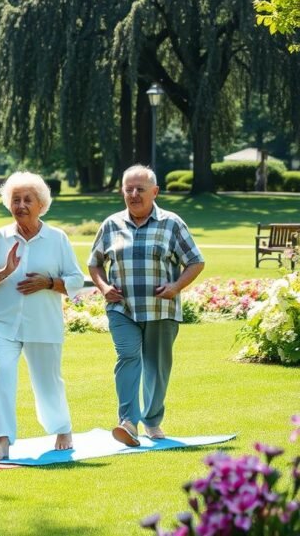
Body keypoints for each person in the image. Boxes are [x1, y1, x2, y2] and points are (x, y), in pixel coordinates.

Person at [0, 172, 84, 460]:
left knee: (48, 381)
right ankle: (2, 440)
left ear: (41, 204)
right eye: (15, 199)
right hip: (2, 322)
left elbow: (76, 279)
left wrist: (49, 283)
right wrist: (3, 272)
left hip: (44, 323)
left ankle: (62, 428)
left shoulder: (57, 239)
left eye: (27, 199)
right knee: (4, 375)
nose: (21, 205)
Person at [88, 165, 205, 446]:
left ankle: (152, 421)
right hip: (122, 309)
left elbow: (196, 261)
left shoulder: (172, 223)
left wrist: (176, 287)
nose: (134, 194)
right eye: (129, 189)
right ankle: (128, 422)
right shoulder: (111, 224)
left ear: (155, 192)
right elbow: (94, 263)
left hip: (161, 309)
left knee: (157, 366)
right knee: (128, 356)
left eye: (140, 189)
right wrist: (104, 287)